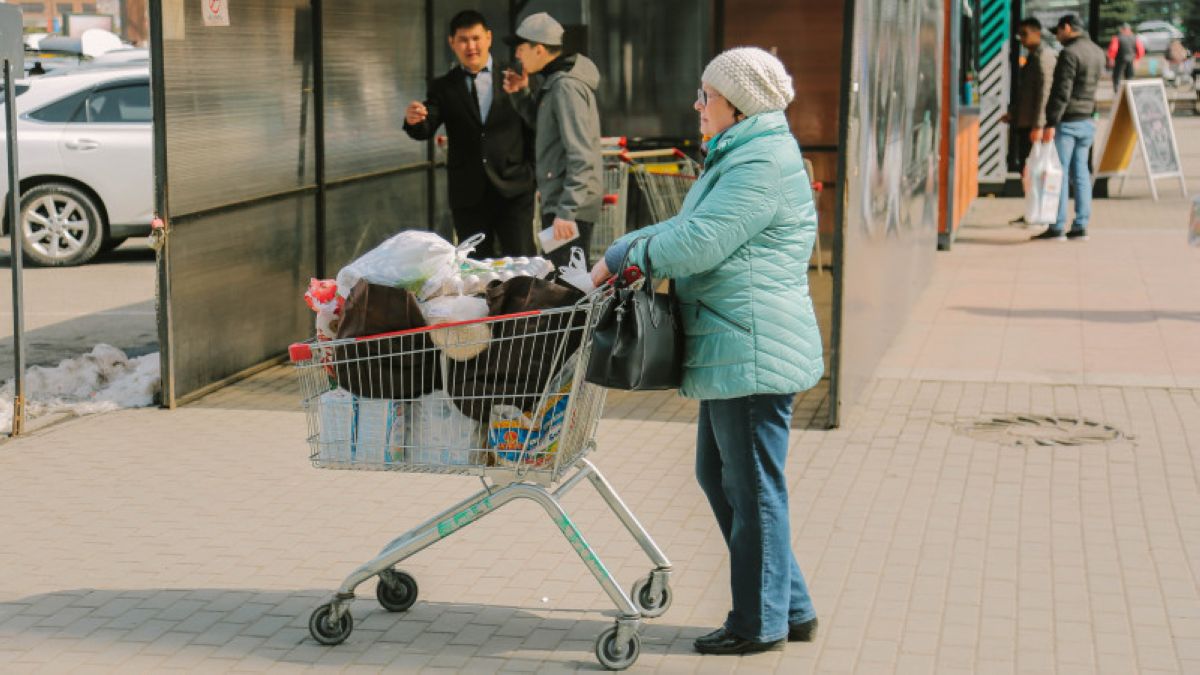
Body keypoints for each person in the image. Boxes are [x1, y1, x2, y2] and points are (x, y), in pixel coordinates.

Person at [592, 47, 823, 656]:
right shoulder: (742, 153)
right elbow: (682, 229)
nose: (697, 104)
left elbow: (698, 243)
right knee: (723, 477)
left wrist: (622, 257)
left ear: (738, 103)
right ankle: (788, 607)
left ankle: (759, 621)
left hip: (750, 346)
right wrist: (630, 249)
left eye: (707, 94)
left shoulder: (761, 161)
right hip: (734, 342)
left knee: (750, 488)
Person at [404, 10, 535, 258]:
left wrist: (533, 173)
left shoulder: (515, 74)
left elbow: (533, 126)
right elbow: (426, 124)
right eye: (463, 40)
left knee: (522, 262)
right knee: (474, 268)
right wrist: (414, 121)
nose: (471, 46)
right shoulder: (443, 86)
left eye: (476, 38)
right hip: (468, 194)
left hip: (515, 188)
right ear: (452, 42)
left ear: (488, 37)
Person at [501, 12, 603, 268]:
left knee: (565, 289)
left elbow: (582, 154)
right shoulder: (555, 82)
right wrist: (521, 94)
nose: (517, 55)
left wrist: (566, 212)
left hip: (568, 210)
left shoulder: (565, 87)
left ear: (539, 49)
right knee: (560, 280)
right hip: (563, 206)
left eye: (521, 48)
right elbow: (546, 128)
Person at [1033, 14, 1105, 242]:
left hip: (1068, 121)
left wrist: (1051, 121)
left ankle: (1057, 226)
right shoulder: (1096, 51)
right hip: (1087, 120)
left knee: (1060, 173)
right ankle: (1081, 225)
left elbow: (1061, 91)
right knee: (1081, 173)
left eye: (1058, 31)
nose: (1057, 36)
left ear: (1067, 28)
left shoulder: (1069, 54)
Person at [1002, 17, 1057, 225]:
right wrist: (1014, 113)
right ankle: (1032, 212)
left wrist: (1039, 125)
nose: (1022, 39)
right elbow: (1027, 92)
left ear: (1037, 32)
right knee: (1029, 170)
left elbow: (1044, 93)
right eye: (1020, 35)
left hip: (1034, 125)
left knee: (1036, 171)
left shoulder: (1044, 56)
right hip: (1025, 121)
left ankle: (1039, 214)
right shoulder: (1034, 56)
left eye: (1025, 34)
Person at [1107, 23, 1145, 93]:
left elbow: (1113, 49)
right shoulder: (1135, 38)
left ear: (1122, 29)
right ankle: (1130, 93)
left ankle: (1117, 92)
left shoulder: (1117, 38)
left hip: (1120, 60)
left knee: (1117, 77)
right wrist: (1137, 59)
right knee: (1130, 78)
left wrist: (1111, 58)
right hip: (1131, 60)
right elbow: (1140, 50)